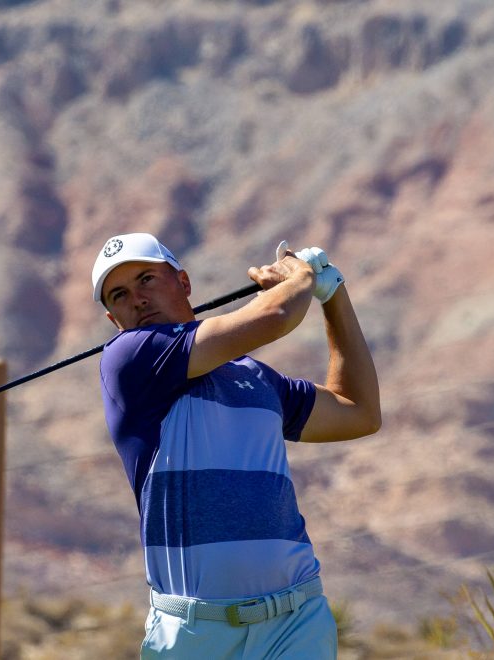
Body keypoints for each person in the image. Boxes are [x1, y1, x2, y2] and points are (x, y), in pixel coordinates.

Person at [92, 232, 381, 659]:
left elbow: (358, 412)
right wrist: (299, 276)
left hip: (295, 621)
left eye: (147, 279)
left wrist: (332, 292)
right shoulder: (129, 360)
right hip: (195, 634)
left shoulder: (257, 377)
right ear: (114, 320)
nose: (137, 298)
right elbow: (277, 314)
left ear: (184, 283)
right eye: (119, 294)